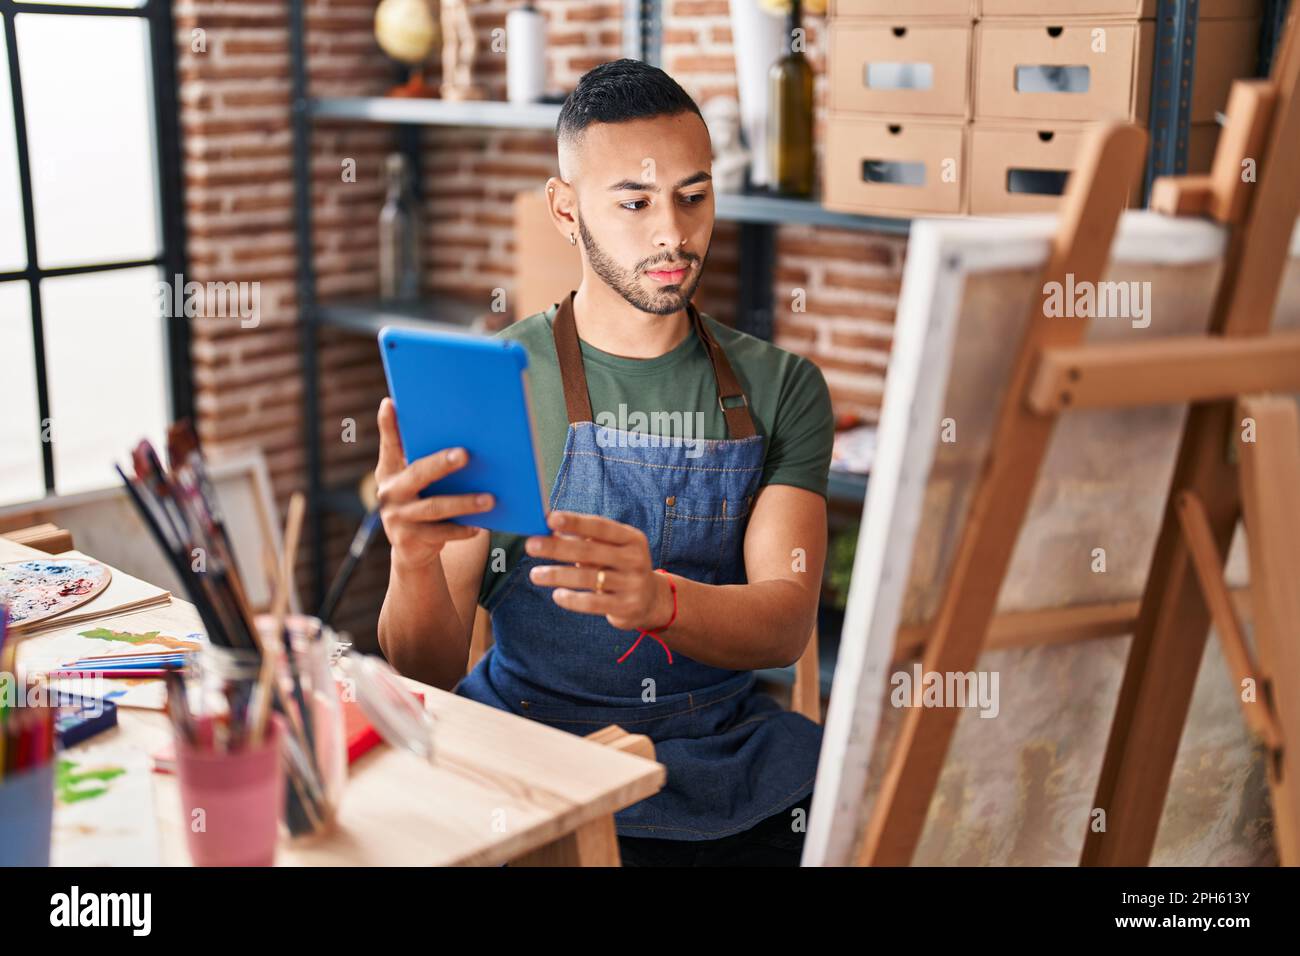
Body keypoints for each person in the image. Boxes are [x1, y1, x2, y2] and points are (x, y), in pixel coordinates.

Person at [375, 58, 833, 866]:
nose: (672, 234)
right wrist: (411, 561)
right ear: (566, 209)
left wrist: (660, 598)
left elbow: (785, 625)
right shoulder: (491, 386)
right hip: (529, 760)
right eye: (635, 203)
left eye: (694, 197)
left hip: (718, 758)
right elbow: (428, 667)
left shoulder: (781, 386)